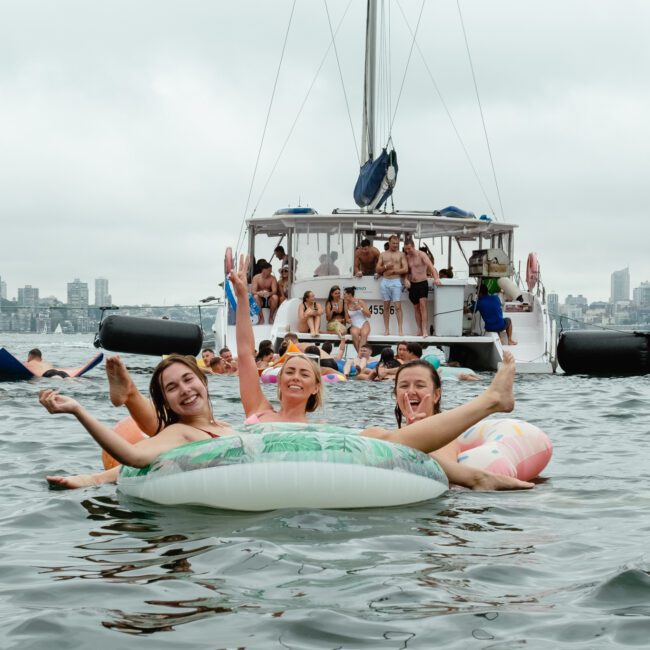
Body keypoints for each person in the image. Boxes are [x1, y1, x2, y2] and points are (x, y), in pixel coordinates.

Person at [231, 254, 520, 455]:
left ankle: (490, 401)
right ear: (278, 382)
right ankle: (491, 400)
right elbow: (245, 354)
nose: (295, 376)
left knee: (377, 434)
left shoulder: (322, 432)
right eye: (290, 372)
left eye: (304, 372)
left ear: (316, 386)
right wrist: (243, 297)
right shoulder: (259, 410)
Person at [41, 355, 237, 485]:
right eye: (172, 388)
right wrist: (78, 410)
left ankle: (130, 393)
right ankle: (130, 394)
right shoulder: (180, 432)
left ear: (203, 380)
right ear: (166, 402)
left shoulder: (224, 425)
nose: (185, 390)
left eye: (188, 379)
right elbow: (134, 456)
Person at [393, 360, 533, 490]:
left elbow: (442, 477)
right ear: (395, 394)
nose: (410, 391)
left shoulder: (447, 439)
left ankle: (492, 400)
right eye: (404, 386)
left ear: (436, 395)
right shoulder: (388, 438)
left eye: (420, 385)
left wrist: (417, 434)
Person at [404, 238, 441, 337]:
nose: (408, 251)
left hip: (422, 283)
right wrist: (406, 280)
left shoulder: (422, 255)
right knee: (416, 308)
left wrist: (436, 278)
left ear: (413, 246)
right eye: (406, 249)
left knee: (423, 306)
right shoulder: (407, 257)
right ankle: (419, 329)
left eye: (409, 249)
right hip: (412, 285)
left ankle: (424, 329)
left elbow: (431, 267)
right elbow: (406, 272)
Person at [375, 234, 408, 336]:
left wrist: (394, 271)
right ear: (389, 243)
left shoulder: (401, 254)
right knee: (386, 306)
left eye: (397, 243)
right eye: (393, 243)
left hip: (396, 281)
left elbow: (405, 269)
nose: (395, 245)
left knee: (398, 306)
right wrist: (385, 266)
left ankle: (400, 330)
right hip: (385, 281)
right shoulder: (383, 254)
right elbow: (377, 269)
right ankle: (387, 330)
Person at [344, 286, 371, 352]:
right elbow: (347, 317)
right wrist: (348, 320)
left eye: (344, 294)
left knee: (364, 335)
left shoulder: (360, 302)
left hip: (364, 323)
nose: (343, 296)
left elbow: (369, 315)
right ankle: (360, 354)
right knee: (354, 334)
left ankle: (360, 355)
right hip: (354, 325)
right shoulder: (346, 305)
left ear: (349, 295)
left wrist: (360, 308)